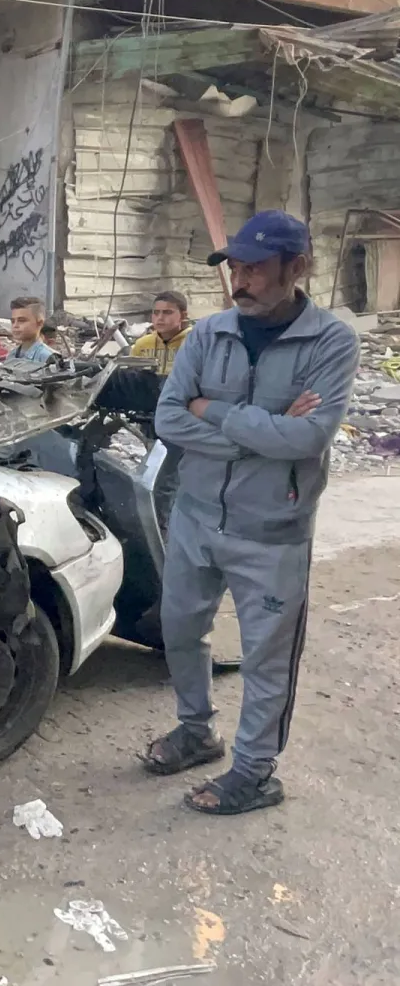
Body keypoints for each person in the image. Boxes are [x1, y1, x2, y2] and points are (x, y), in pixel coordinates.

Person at [146, 210, 359, 815]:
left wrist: (210, 409)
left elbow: (307, 439)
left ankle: (255, 772)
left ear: (298, 267)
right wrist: (258, 433)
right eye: (234, 267)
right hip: (194, 517)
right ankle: (196, 731)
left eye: (256, 268)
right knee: (181, 631)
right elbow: (168, 418)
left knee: (267, 657)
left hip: (272, 532)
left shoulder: (332, 341)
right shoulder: (209, 333)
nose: (240, 280)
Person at [131, 290, 192, 375]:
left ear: (183, 316)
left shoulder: (194, 343)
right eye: (156, 313)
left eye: (167, 312)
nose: (160, 318)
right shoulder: (142, 344)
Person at [5, 296, 55, 361]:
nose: (15, 325)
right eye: (13, 321)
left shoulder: (47, 357)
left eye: (22, 320)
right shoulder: (12, 355)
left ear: (40, 323)